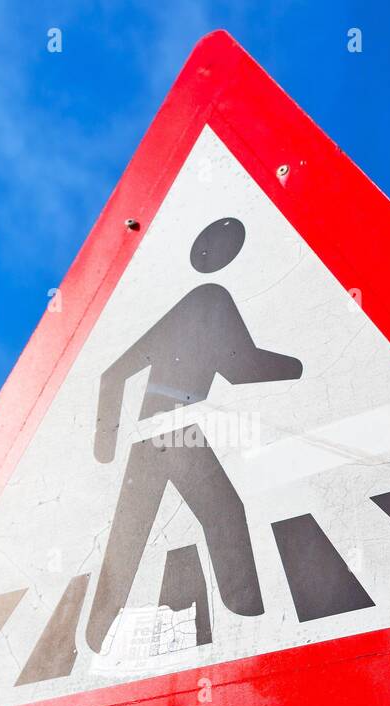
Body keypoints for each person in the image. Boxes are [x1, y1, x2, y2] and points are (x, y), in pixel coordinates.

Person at [86, 218, 302, 652]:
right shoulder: (210, 298)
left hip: (148, 437)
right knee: (224, 514)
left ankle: (95, 637)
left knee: (129, 534)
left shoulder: (191, 304)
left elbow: (114, 375)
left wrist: (108, 446)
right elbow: (240, 368)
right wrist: (299, 366)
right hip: (175, 432)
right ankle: (254, 630)